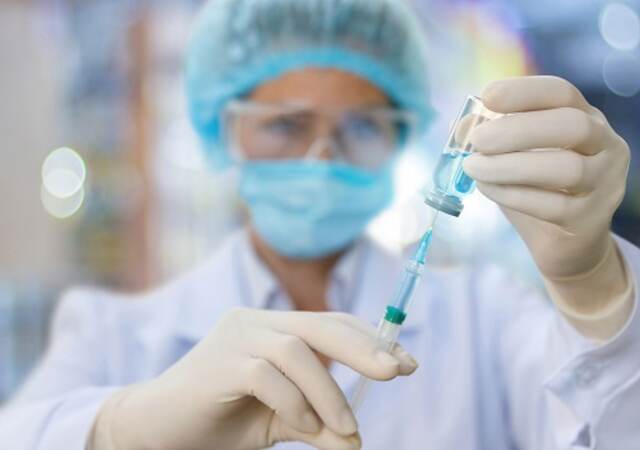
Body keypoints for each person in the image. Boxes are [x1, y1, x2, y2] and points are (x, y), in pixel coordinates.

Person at [1, 0, 639, 449]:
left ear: (405, 134)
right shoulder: (116, 332)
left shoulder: (487, 316)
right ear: (225, 129)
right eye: (286, 124)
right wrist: (124, 430)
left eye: (362, 126)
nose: (322, 156)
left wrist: (596, 291)